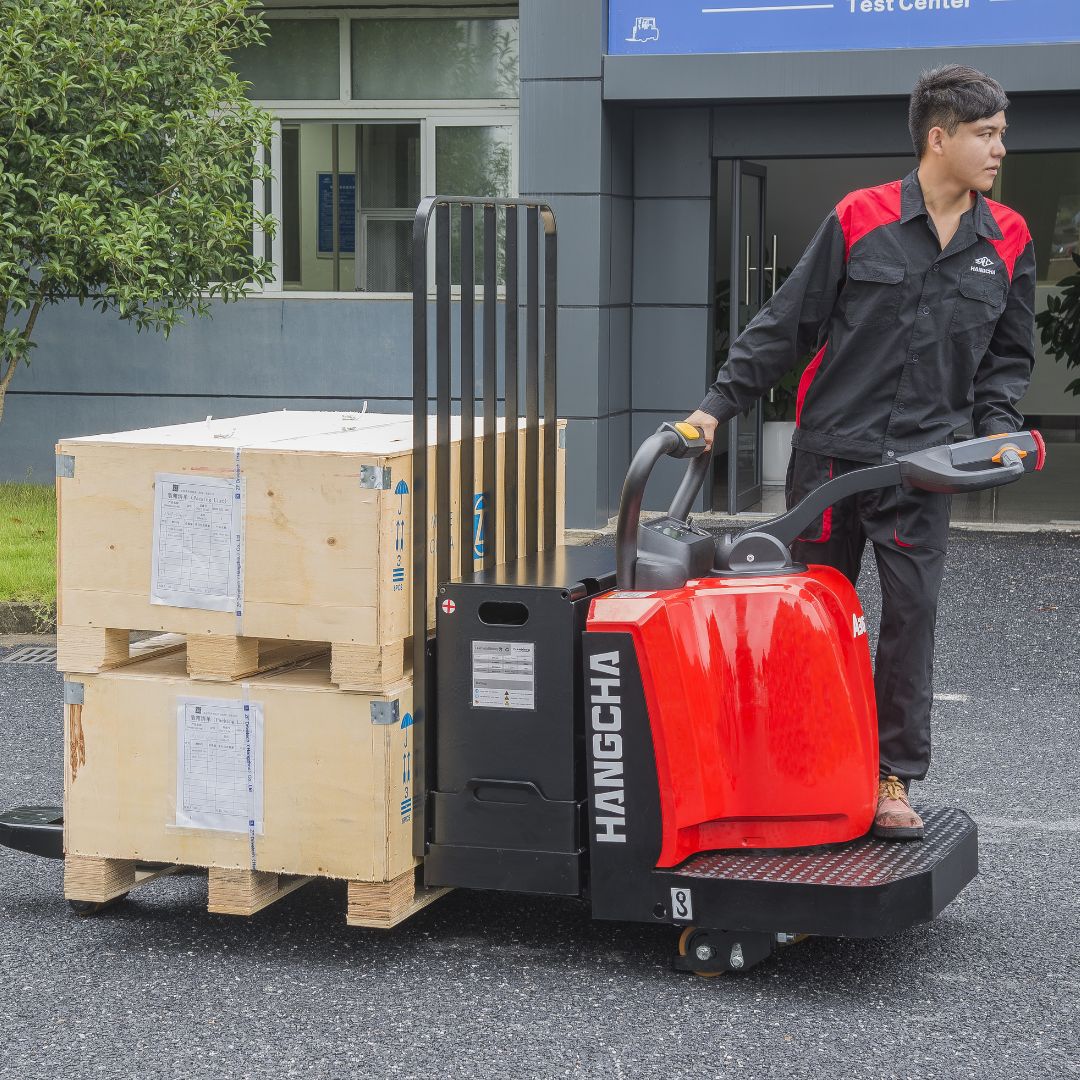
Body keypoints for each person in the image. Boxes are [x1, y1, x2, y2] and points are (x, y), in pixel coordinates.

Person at [684, 65, 1036, 840]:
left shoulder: (1007, 238)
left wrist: (999, 427)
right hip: (832, 463)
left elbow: (1006, 359)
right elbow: (787, 324)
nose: (999, 149)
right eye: (986, 134)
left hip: (924, 468)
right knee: (809, 617)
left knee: (912, 620)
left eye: (1001, 134)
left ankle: (889, 778)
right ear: (938, 138)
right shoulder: (860, 217)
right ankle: (794, 766)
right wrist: (715, 409)